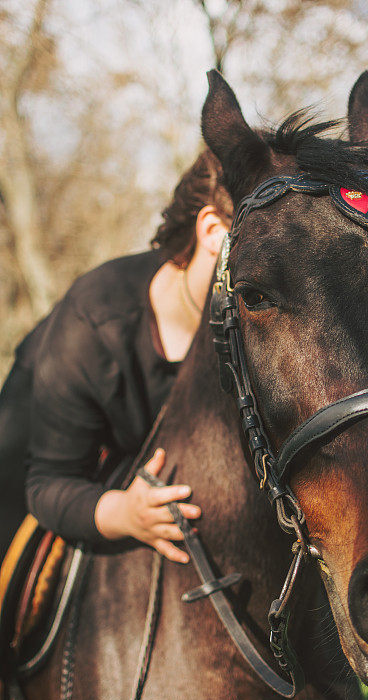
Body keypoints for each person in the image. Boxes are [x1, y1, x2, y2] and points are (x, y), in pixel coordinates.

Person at [0, 150, 232, 565]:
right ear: (213, 231)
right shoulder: (94, 319)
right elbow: (49, 482)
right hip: (36, 428)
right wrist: (126, 514)